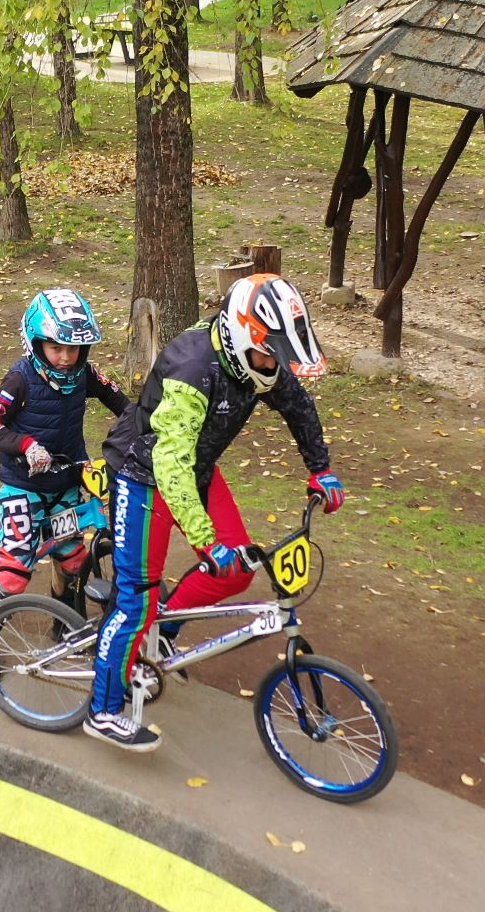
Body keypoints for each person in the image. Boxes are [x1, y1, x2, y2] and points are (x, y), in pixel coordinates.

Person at [87, 275, 345, 751]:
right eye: (271, 356)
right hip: (144, 474)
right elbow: (170, 462)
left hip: (197, 470)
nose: (276, 366)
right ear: (246, 337)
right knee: (135, 602)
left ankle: (161, 634)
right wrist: (206, 542)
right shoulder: (194, 370)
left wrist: (320, 469)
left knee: (235, 571)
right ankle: (102, 710)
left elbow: (297, 406)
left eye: (279, 357)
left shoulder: (256, 357)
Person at [0, 289, 128, 606]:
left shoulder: (84, 373)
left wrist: (143, 427)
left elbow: (121, 402)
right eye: (56, 348)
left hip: (65, 482)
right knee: (14, 572)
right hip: (23, 485)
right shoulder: (21, 379)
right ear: (36, 343)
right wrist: (27, 445)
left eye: (73, 348)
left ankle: (65, 624)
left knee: (73, 561)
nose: (66, 357)